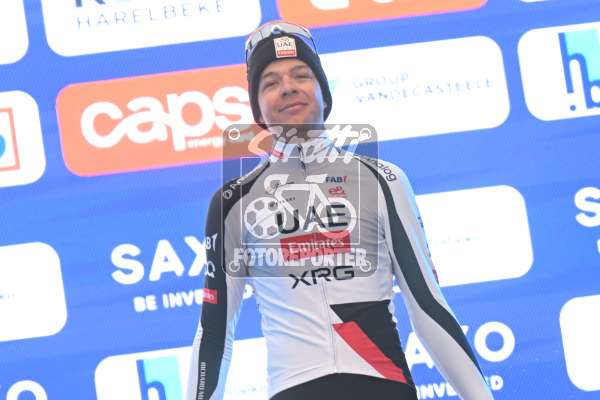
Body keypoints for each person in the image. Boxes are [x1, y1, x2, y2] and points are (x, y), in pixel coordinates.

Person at [187, 20, 494, 400]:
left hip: (384, 387)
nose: (288, 87)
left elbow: (428, 306)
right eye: (270, 82)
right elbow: (215, 333)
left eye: (301, 75)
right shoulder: (233, 202)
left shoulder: (383, 181)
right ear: (258, 109)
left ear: (323, 92)